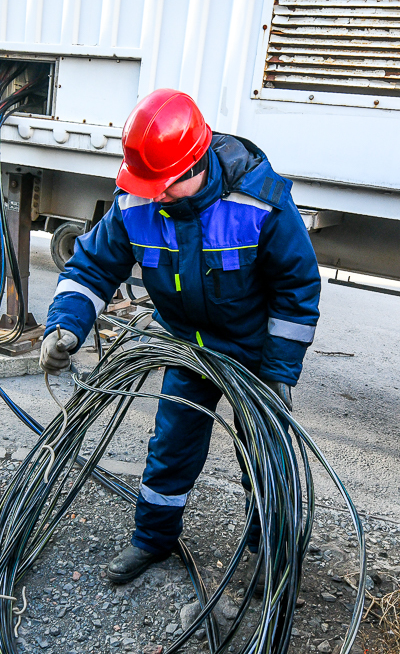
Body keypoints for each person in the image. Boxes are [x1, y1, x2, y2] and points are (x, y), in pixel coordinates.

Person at [40, 88, 321, 584]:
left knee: (264, 455)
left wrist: (278, 373)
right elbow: (91, 267)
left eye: (164, 186)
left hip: (252, 353)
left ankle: (273, 556)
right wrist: (66, 324)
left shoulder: (259, 202)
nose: (155, 196)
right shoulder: (138, 201)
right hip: (187, 345)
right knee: (171, 446)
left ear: (196, 164)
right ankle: (153, 540)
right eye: (148, 186)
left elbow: (297, 290)